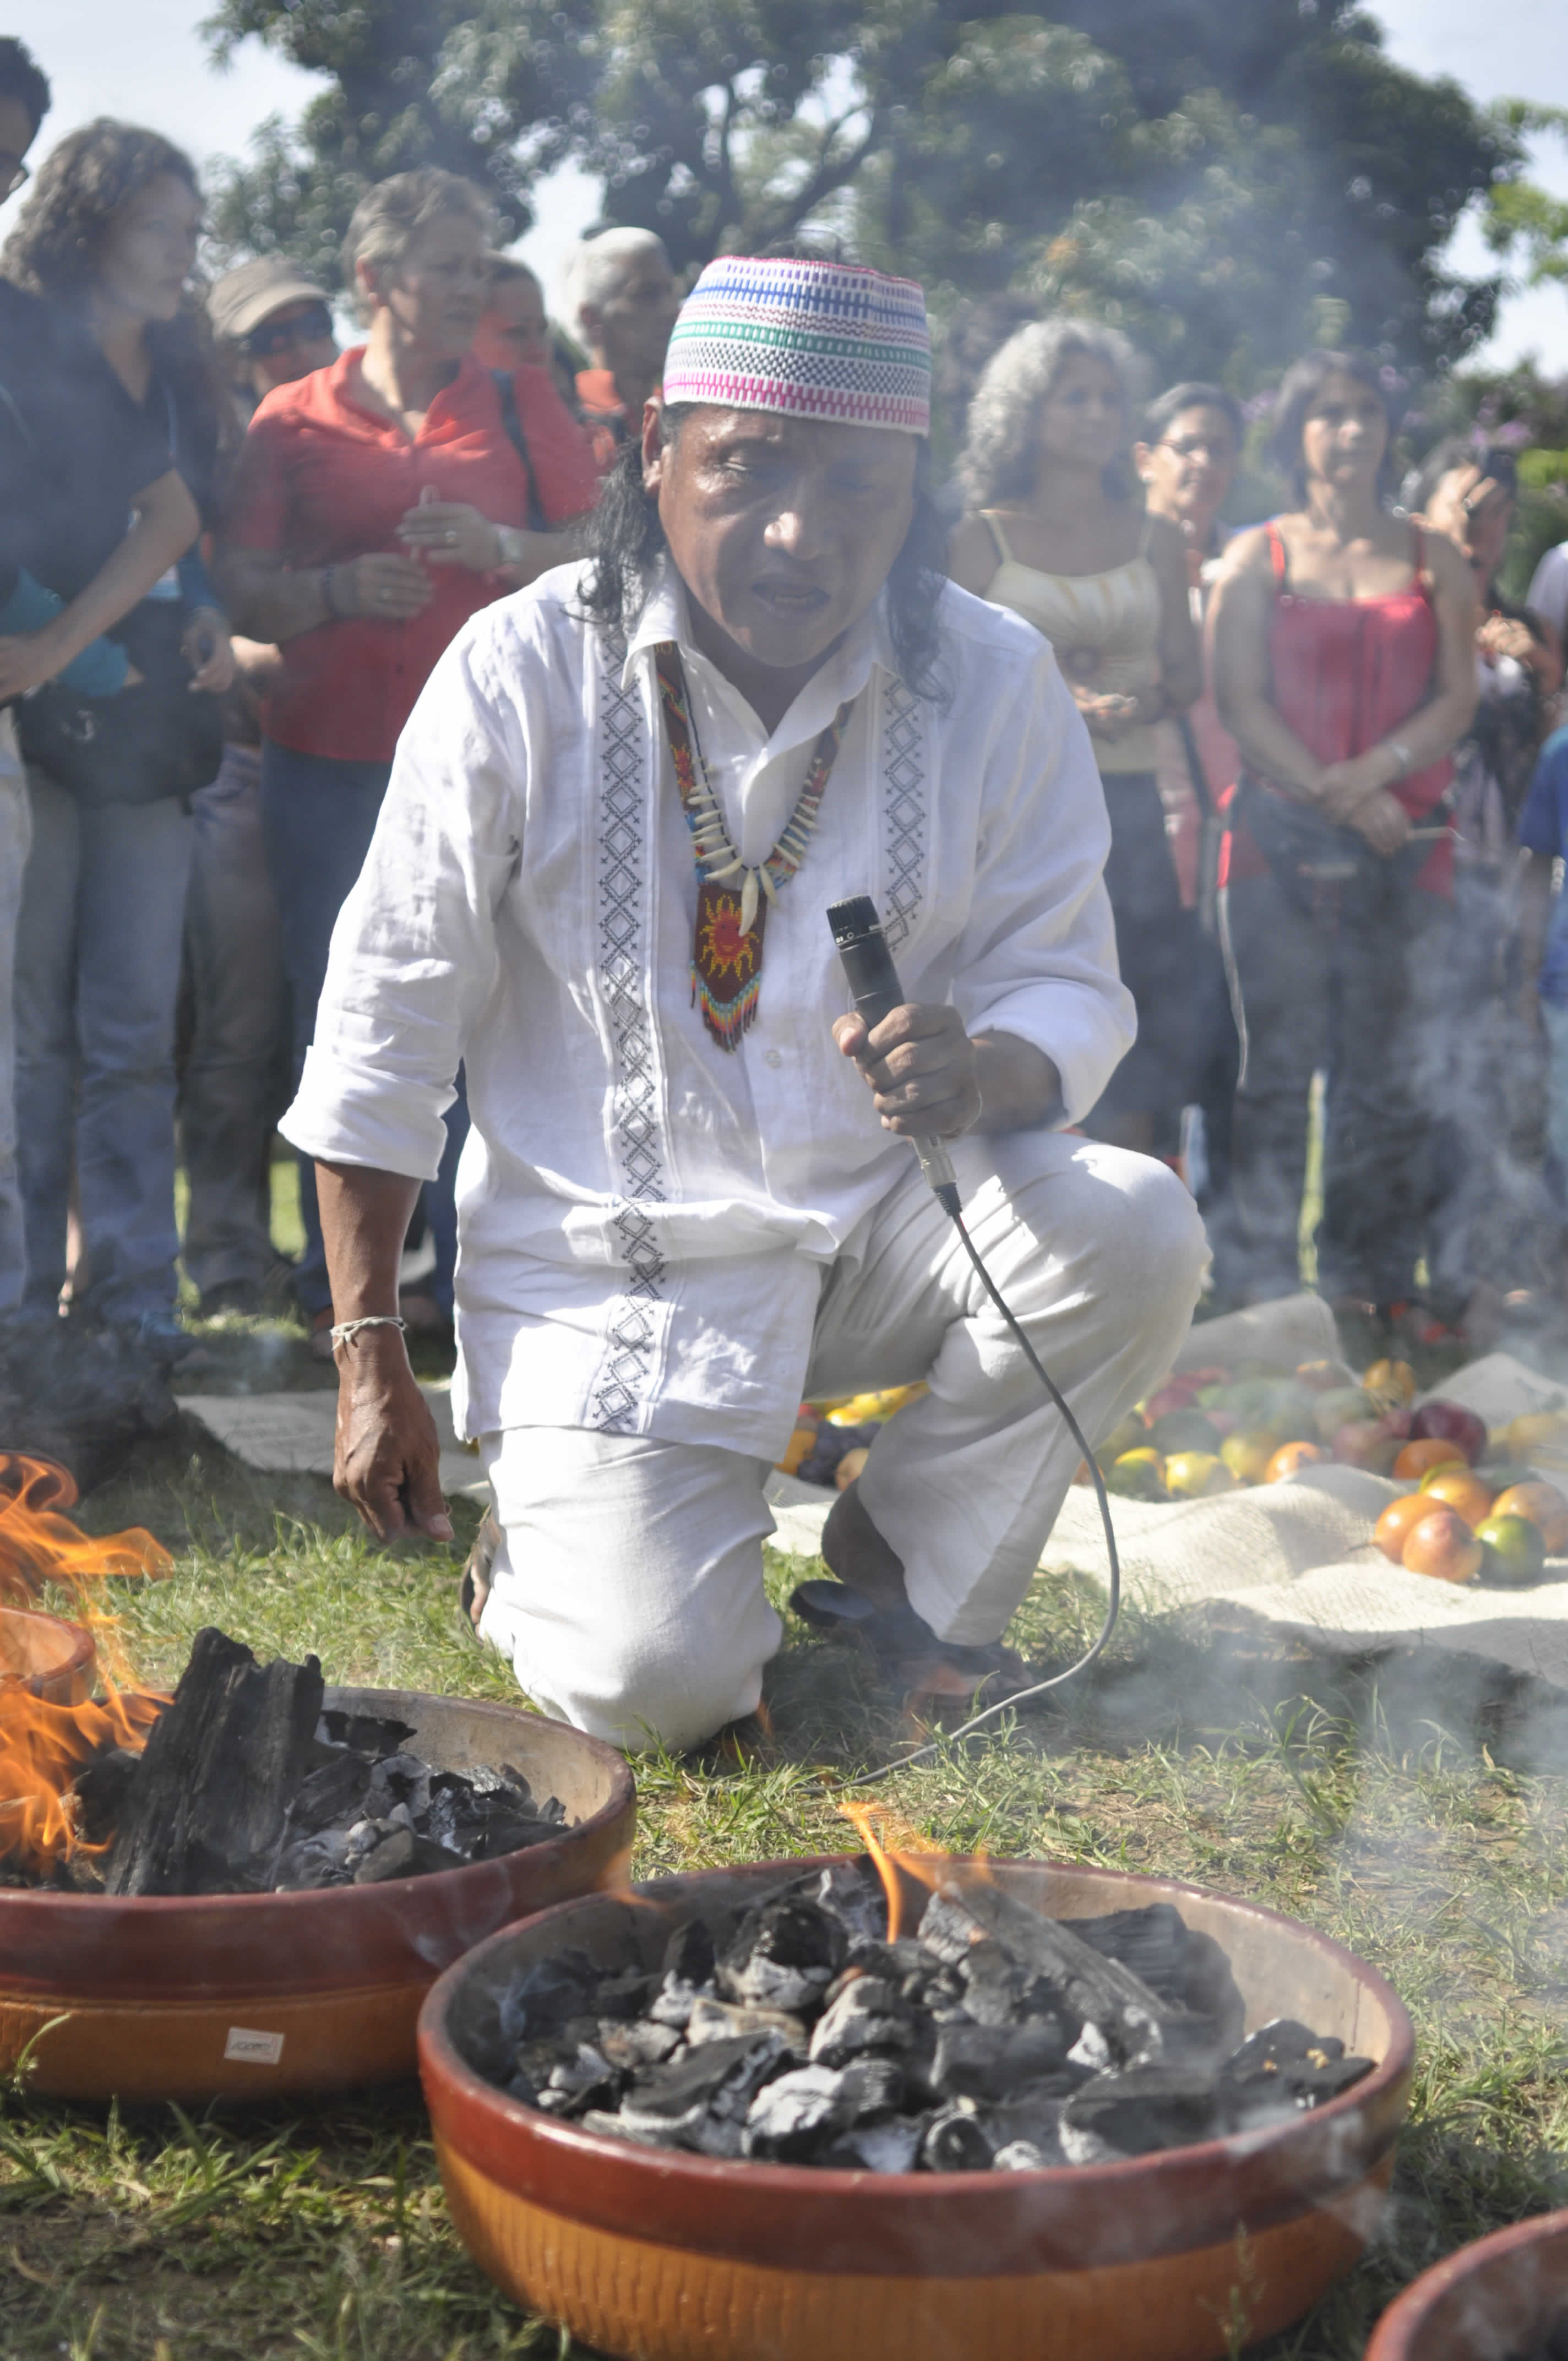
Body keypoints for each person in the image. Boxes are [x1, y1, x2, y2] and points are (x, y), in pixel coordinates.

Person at [281, 252, 1207, 1754]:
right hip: (607, 1272)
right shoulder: (521, 670)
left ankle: (898, 1576)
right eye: (745, 468)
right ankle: (534, 1562)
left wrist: (986, 1072)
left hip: (878, 1231)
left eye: (856, 490)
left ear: (915, 495)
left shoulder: (996, 675)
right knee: (658, 1691)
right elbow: (387, 1018)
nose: (797, 534)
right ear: (656, 450)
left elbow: (1067, 980)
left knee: (1136, 1225)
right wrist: (368, 1341)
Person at [219, 168, 600, 1354]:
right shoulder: (289, 419)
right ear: (375, 277)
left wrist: (500, 545)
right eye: (445, 263)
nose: (469, 286)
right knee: (342, 1016)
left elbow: (600, 544)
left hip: (502, 762)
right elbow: (235, 585)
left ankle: (486, 1275)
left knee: (497, 1011)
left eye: (479, 264)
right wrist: (334, 590)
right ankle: (363, 1296)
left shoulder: (518, 395)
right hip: (325, 762)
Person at [4, 119, 237, 1361]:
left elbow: (185, 527)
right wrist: (48, 651)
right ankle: (29, 1296)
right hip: (34, 730)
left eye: (194, 234)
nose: (184, 257)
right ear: (89, 220)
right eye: (163, 228)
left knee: (135, 1025)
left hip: (147, 726)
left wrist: (201, 611)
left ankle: (138, 1298)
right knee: (31, 1028)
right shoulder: (24, 335)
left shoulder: (186, 364)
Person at [1206, 350, 1478, 1324]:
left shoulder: (1430, 556)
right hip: (1275, 843)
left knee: (1387, 1080)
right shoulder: (1253, 556)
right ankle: (1263, 1291)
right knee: (1275, 1075)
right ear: (1298, 433)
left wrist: (1373, 775)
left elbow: (1458, 693)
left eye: (1367, 411)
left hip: (1405, 841)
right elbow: (1237, 702)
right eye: (1329, 413)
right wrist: (1334, 790)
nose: (1351, 430)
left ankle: (1367, 1284)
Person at [950, 320, 1204, 1156]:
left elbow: (1187, 678)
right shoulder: (978, 541)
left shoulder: (1158, 538)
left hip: (1129, 810)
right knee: (1018, 1008)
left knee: (1139, 1022)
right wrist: (1054, 705)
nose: (1097, 413)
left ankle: (1135, 1216)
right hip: (1012, 816)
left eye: (1109, 397)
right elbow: (941, 682)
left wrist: (1143, 701)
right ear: (1027, 411)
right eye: (1075, 397)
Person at [177, 258, 341, 1316]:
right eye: (267, 339)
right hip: (240, 764)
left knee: (342, 1022)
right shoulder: (210, 463)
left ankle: (344, 1269)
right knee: (239, 1028)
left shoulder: (363, 446)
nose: (293, 349)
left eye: (309, 325)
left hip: (346, 765)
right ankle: (230, 1258)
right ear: (236, 363)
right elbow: (200, 619)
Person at [1409, 439, 1564, 1337]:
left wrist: (1541, 680)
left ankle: (1472, 1275)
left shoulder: (1519, 628)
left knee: (1490, 1084)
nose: (1481, 524)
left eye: (1498, 509)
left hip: (1501, 887)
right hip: (1414, 878)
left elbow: (1548, 752)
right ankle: (1392, 1280)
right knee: (1406, 1078)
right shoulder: (1395, 612)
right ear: (1424, 509)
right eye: (1463, 502)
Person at [1135, 382, 1246, 1206]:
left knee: (1227, 1051)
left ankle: (1226, 1249)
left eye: (1221, 448)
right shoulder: (1106, 564)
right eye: (1187, 445)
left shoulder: (1249, 568)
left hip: (1233, 842)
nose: (1204, 464)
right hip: (1128, 836)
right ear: (1147, 459)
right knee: (1137, 1058)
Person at [562, 226, 680, 468]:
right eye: (646, 295)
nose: (672, 309)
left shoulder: (683, 412)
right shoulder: (566, 418)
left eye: (671, 291)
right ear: (592, 318)